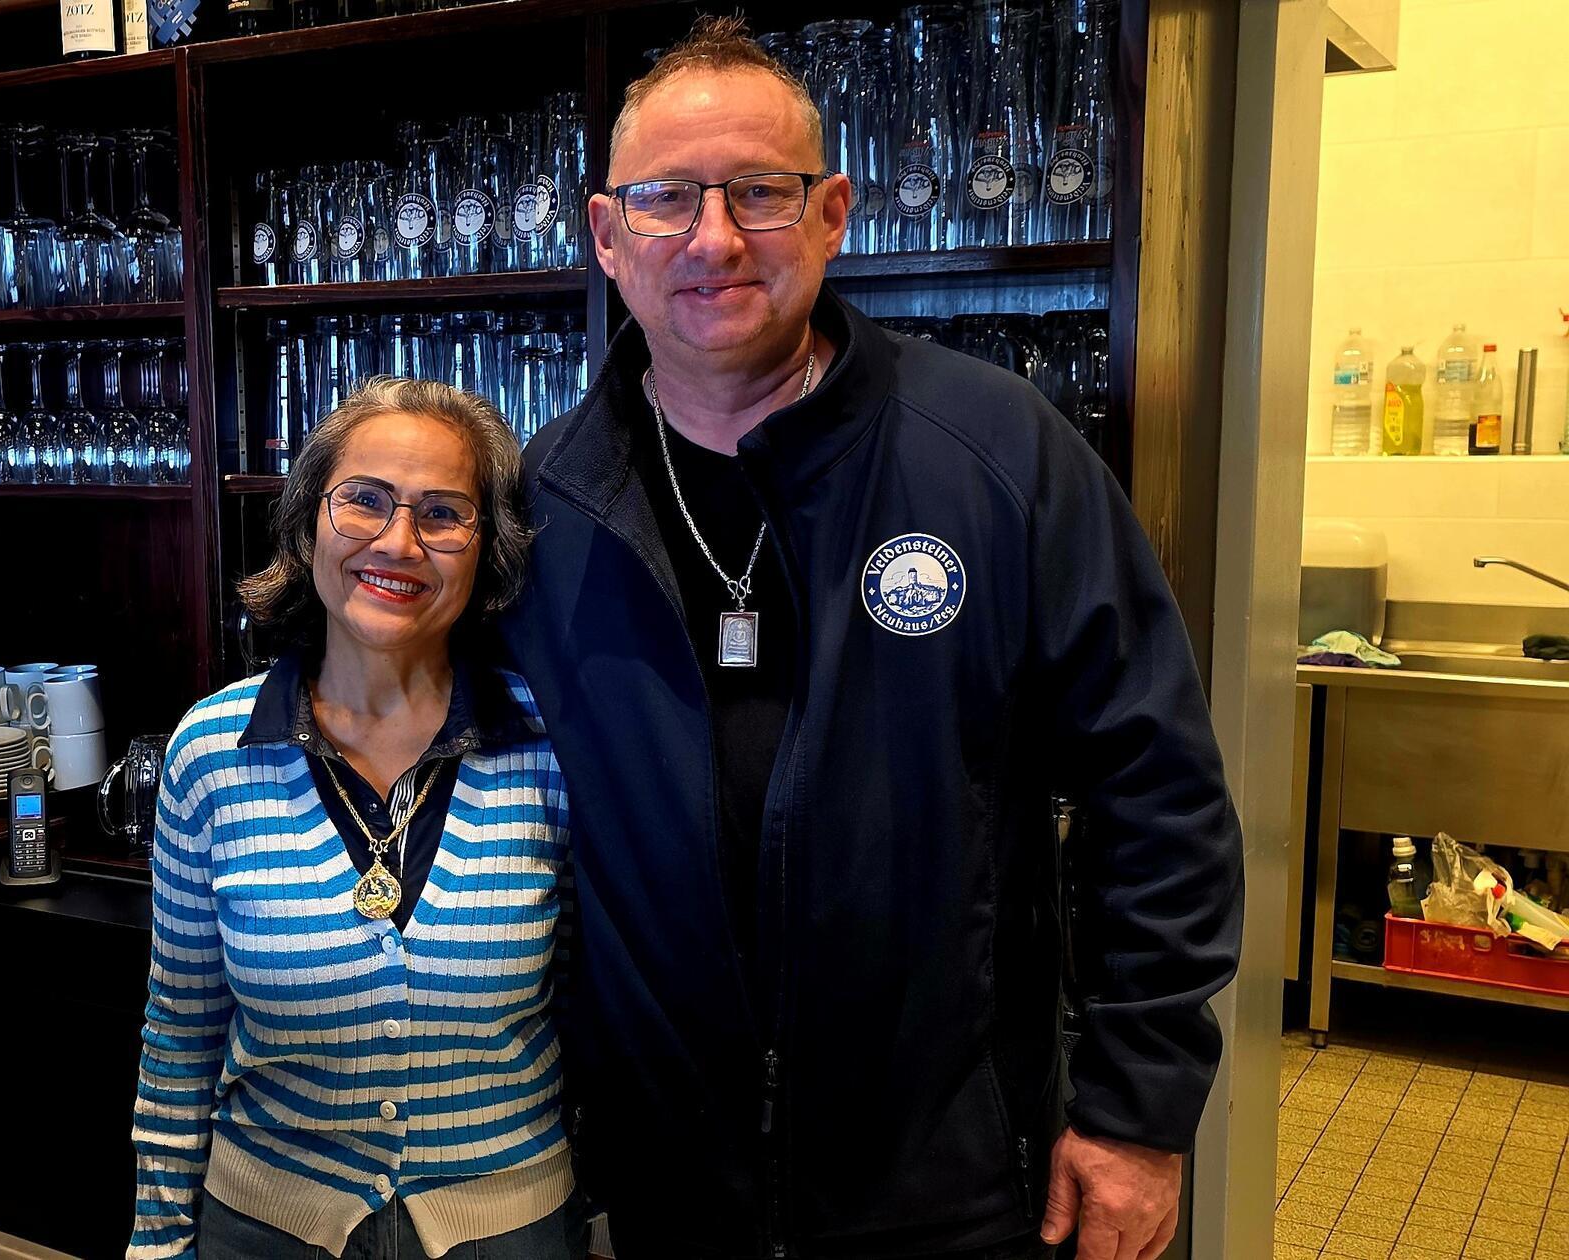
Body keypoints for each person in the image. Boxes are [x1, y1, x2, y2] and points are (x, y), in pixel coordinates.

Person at [499, 17, 1245, 1260]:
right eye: (667, 198)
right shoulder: (548, 501)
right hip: (669, 1185)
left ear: (834, 213)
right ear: (604, 234)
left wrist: (1136, 1114)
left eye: (760, 193)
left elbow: (1156, 791)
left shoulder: (994, 452)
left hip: (947, 1173)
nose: (714, 238)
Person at [128, 378, 585, 1260]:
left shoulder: (549, 745)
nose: (399, 541)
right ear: (307, 528)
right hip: (263, 1232)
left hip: (511, 1234)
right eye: (364, 502)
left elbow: (585, 1008)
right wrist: (159, 1239)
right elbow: (180, 1033)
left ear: (488, 553)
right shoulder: (212, 753)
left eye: (444, 514)